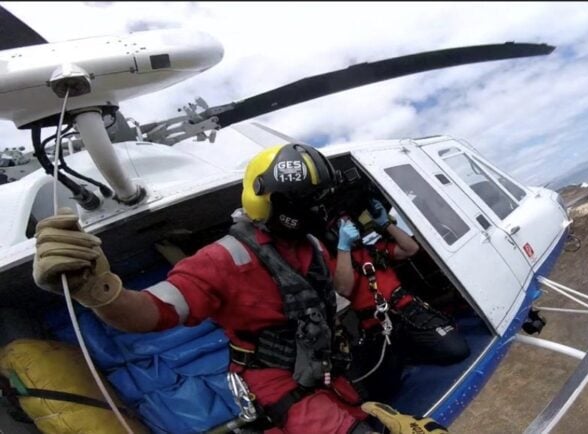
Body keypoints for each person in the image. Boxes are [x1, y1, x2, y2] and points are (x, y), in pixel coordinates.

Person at [31, 143, 446, 434]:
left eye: (316, 201)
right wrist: (97, 289)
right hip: (278, 388)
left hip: (328, 372)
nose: (311, 211)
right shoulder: (222, 259)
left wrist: (344, 248)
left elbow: (341, 287)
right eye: (300, 202)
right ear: (268, 199)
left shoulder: (313, 247)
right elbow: (153, 311)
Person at [333, 198, 470, 401]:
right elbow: (344, 288)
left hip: (408, 312)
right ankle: (406, 351)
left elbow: (410, 249)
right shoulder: (335, 262)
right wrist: (343, 248)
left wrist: (386, 223)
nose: (349, 226)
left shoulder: (374, 248)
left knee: (457, 350)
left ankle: (411, 349)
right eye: (342, 224)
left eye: (349, 222)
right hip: (378, 327)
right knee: (382, 389)